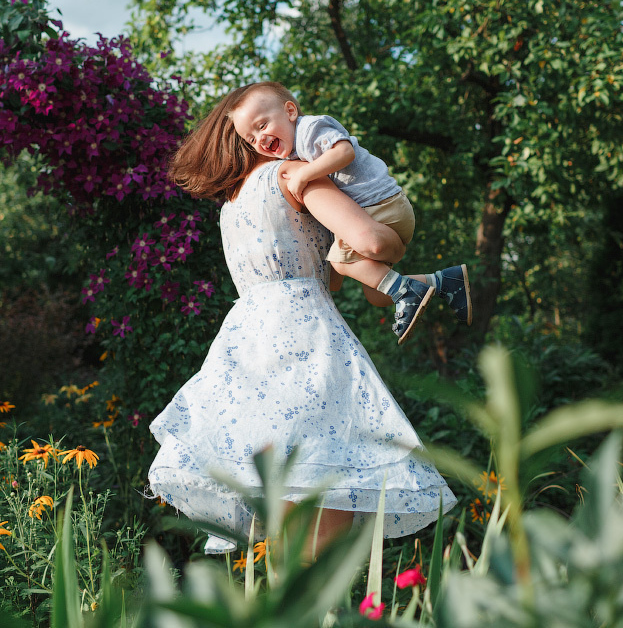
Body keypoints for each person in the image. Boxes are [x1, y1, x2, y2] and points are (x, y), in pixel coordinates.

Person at [147, 87, 457, 557]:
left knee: (284, 516)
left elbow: (325, 272)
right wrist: (394, 244)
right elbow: (371, 244)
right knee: (327, 502)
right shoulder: (292, 175)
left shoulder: (231, 206)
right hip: (305, 337)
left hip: (246, 345)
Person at [228, 81, 471, 344]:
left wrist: (305, 175)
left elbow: (344, 151)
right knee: (377, 294)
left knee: (341, 263)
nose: (260, 139)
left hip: (382, 204)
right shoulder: (292, 153)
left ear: (290, 111)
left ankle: (408, 291)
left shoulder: (309, 129)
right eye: (251, 139)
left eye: (262, 125)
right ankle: (446, 281)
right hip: (376, 214)